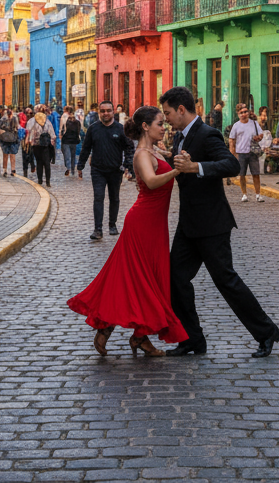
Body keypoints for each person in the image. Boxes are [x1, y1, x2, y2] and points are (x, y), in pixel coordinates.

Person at [161, 86, 279, 358]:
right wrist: (169, 160)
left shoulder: (207, 133)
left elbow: (229, 165)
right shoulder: (181, 137)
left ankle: (266, 332)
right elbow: (183, 170)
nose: (166, 118)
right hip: (189, 224)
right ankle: (193, 339)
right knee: (176, 279)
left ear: (181, 110)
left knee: (226, 281)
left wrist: (197, 167)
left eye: (168, 113)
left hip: (212, 225)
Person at [68, 106, 188, 358]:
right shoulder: (142, 154)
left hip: (155, 224)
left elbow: (167, 161)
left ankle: (140, 336)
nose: (163, 127)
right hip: (142, 223)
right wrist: (178, 170)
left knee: (149, 279)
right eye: (159, 123)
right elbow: (152, 181)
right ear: (145, 126)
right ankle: (108, 325)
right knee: (133, 277)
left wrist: (180, 159)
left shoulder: (155, 150)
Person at [77, 101, 134, 241]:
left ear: (113, 111)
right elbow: (86, 148)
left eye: (108, 110)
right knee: (98, 197)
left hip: (115, 170)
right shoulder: (93, 129)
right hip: (98, 170)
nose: (106, 113)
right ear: (99, 112)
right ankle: (98, 230)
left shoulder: (121, 129)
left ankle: (112, 224)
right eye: (103, 111)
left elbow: (129, 147)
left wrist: (128, 164)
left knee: (114, 198)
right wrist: (80, 165)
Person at [228, 106, 264, 203]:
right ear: (238, 114)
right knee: (242, 175)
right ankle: (244, 194)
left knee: (256, 174)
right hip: (241, 153)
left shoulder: (254, 124)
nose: (244, 114)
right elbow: (231, 139)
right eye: (241, 112)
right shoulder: (236, 126)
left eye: (245, 112)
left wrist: (259, 138)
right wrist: (232, 152)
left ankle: (258, 194)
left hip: (253, 152)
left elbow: (261, 134)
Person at [26, 106, 57, 188]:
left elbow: (30, 133)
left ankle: (40, 180)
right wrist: (52, 141)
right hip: (46, 145)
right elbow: (52, 134)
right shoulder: (47, 122)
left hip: (36, 145)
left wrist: (30, 142)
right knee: (47, 163)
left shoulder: (33, 122)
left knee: (39, 162)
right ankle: (48, 181)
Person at [0, 107, 20, 176]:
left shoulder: (3, 119)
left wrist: (1, 131)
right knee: (12, 154)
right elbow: (17, 127)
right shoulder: (14, 118)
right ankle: (12, 170)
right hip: (12, 138)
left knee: (5, 154)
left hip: (4, 138)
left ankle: (5, 170)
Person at [61, 108, 82, 177]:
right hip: (74, 140)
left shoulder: (65, 119)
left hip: (66, 140)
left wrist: (61, 135)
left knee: (67, 155)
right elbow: (78, 131)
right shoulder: (77, 122)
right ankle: (73, 169)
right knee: (73, 155)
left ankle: (69, 168)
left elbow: (62, 129)